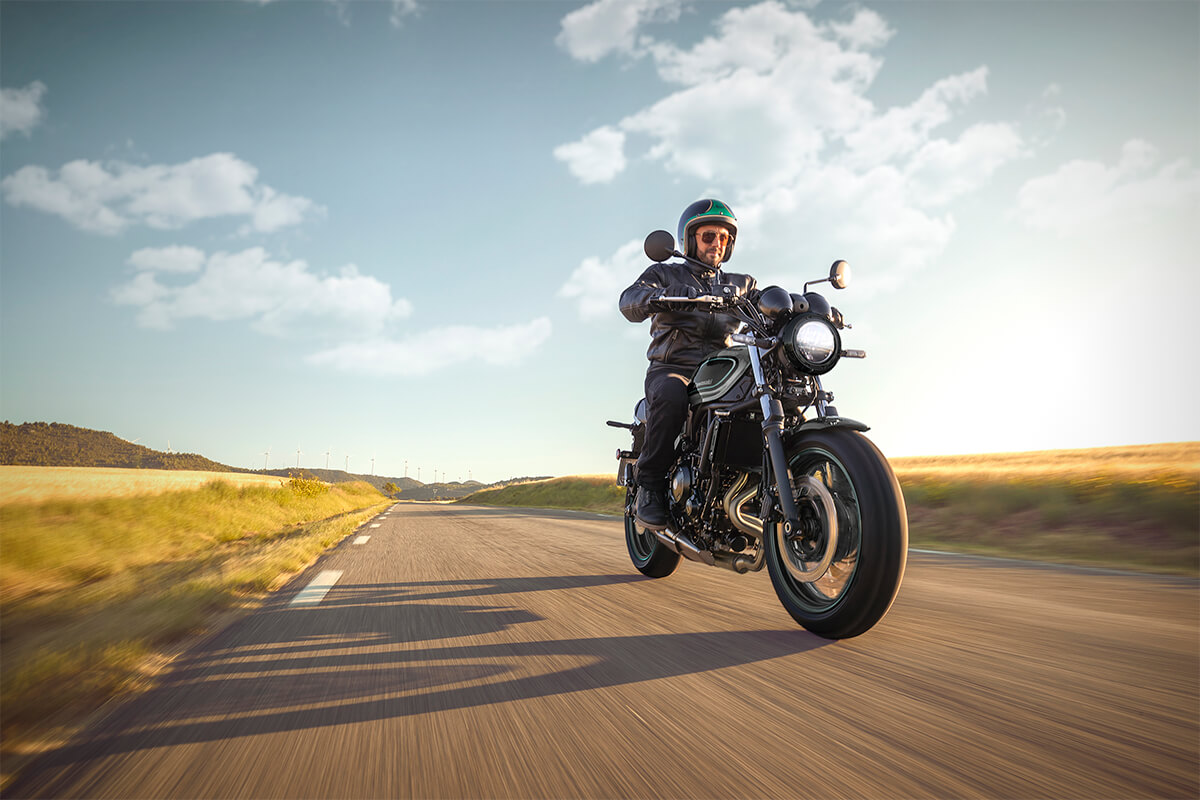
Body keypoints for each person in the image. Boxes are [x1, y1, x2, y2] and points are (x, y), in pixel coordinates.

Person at [619, 199, 759, 530]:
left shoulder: (743, 284)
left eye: (724, 238)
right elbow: (629, 300)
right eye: (709, 236)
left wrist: (802, 308)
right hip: (673, 368)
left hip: (722, 372)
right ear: (690, 240)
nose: (717, 244)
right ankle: (650, 484)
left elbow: (766, 303)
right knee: (671, 395)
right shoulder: (664, 273)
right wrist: (659, 296)